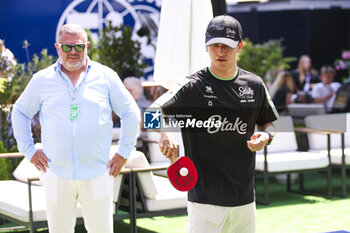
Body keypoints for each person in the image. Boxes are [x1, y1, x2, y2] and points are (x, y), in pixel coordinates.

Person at [149, 15, 278, 233]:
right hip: (204, 200)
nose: (220, 52)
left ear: (239, 47)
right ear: (206, 47)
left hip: (244, 198)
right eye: (214, 45)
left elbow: (270, 124)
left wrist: (266, 137)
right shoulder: (191, 85)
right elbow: (150, 113)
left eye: (227, 46)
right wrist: (163, 132)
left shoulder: (255, 85)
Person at [11, 23, 140, 233]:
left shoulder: (106, 76)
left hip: (98, 171)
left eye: (79, 47)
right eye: (67, 47)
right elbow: (19, 112)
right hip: (56, 173)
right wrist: (28, 150)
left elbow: (131, 112)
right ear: (57, 47)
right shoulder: (42, 80)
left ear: (87, 46)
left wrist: (124, 152)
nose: (73, 52)